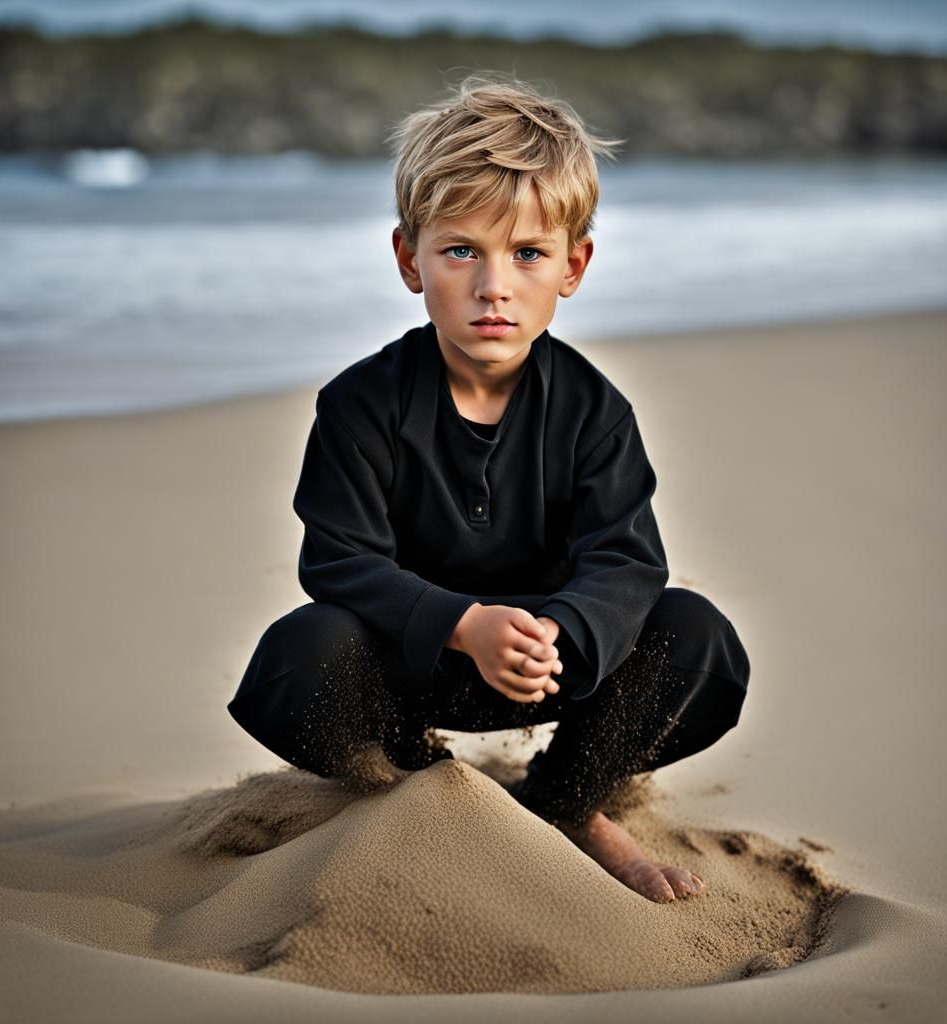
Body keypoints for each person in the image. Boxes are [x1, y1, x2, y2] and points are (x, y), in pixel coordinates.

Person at [227, 72, 750, 904]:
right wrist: (462, 624)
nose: (493, 286)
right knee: (299, 655)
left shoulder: (596, 412)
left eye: (529, 254)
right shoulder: (359, 404)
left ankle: (565, 803)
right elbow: (338, 560)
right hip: (409, 668)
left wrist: (558, 630)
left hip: (553, 667)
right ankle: (423, 783)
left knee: (701, 639)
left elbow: (626, 562)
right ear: (410, 259)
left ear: (573, 266)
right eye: (461, 250)